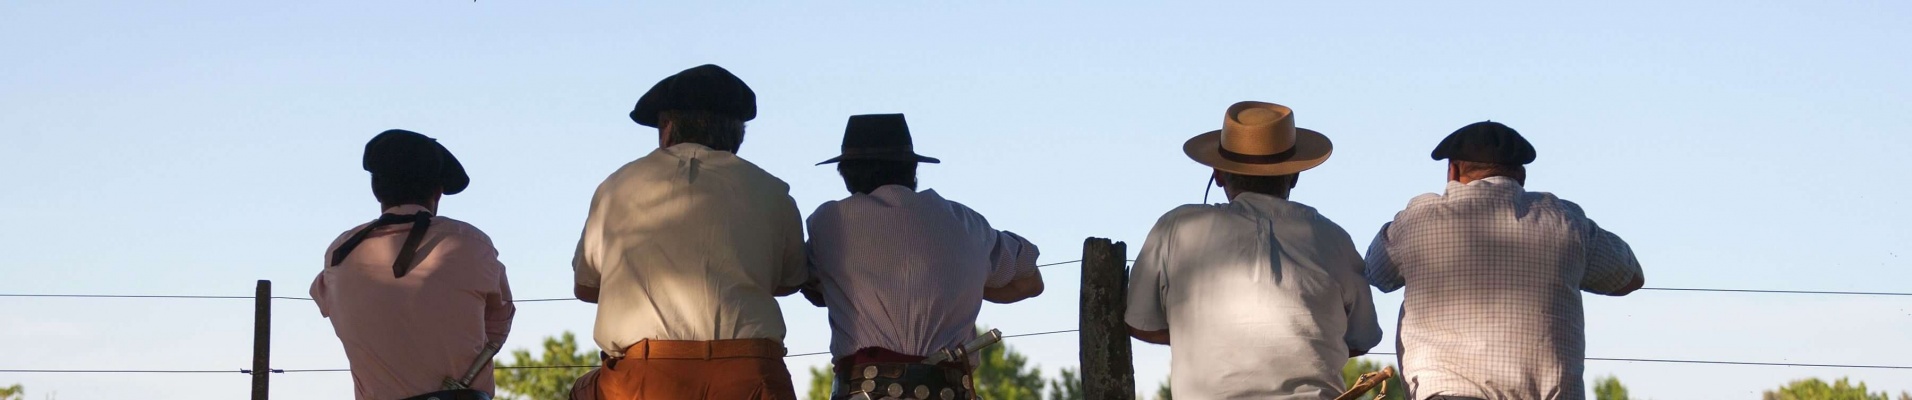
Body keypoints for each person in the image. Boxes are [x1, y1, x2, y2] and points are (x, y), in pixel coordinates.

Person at [572, 64, 807, 400]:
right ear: (737, 134)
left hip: (647, 378)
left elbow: (586, 287)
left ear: (667, 129)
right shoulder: (773, 191)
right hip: (751, 376)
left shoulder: (615, 188)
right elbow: (789, 282)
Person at [1363, 121, 1646, 400]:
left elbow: (1376, 273)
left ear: (1453, 170)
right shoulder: (1567, 221)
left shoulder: (1417, 222)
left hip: (1448, 393)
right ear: (1520, 176)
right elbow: (1630, 278)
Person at [1125, 101, 1384, 399]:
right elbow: (1362, 337)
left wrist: (1213, 338)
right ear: (1295, 175)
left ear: (1219, 175)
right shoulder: (1332, 238)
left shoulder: (1176, 228)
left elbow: (1140, 323)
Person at [804, 114, 1045, 400]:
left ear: (846, 174)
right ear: (912, 169)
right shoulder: (966, 222)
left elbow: (810, 288)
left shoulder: (830, 223)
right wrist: (957, 283)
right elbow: (1031, 282)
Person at [312, 129, 515, 400]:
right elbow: (498, 326)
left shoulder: (339, 254)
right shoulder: (472, 244)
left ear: (376, 189)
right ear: (438, 192)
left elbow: (326, 300)